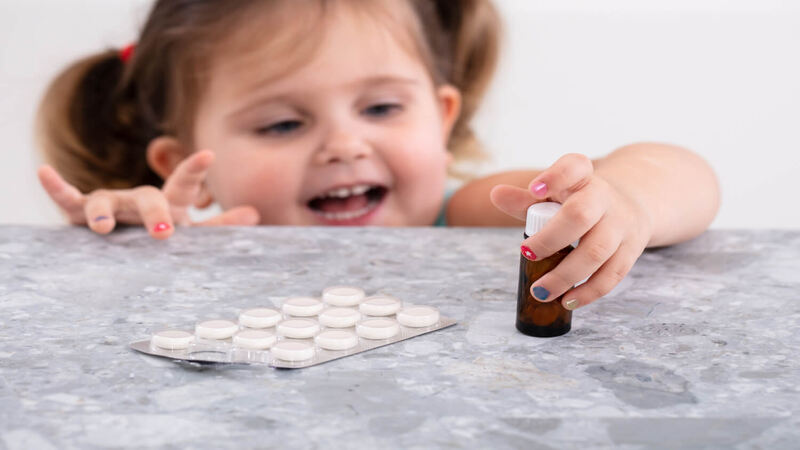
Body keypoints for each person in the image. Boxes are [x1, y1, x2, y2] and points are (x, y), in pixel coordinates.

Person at [35, 0, 720, 311]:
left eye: (382, 109)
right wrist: (130, 236)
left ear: (442, 117)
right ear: (188, 163)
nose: (345, 145)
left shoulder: (472, 215)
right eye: (281, 124)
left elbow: (686, 175)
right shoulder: (197, 242)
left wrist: (627, 196)